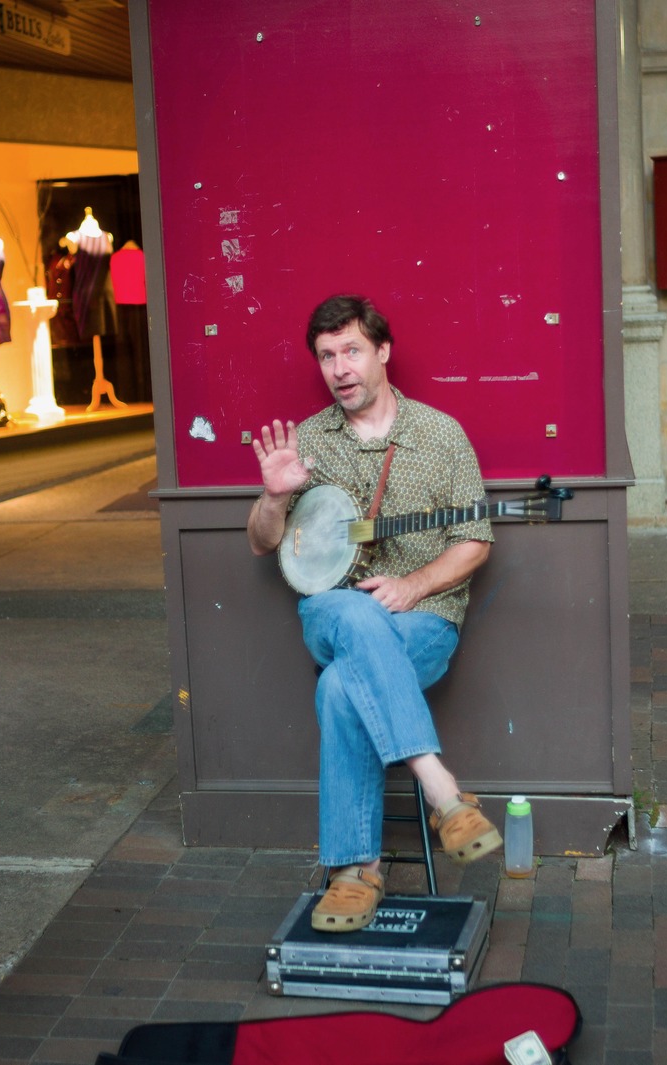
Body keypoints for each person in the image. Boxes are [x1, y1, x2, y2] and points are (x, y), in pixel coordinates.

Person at [247, 294, 502, 933]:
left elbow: (475, 540)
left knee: (341, 686)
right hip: (332, 613)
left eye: (352, 350)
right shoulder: (307, 440)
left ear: (383, 351)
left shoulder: (441, 435)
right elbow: (261, 542)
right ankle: (442, 790)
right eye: (326, 356)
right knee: (354, 617)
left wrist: (413, 586)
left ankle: (355, 871)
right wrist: (274, 498)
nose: (340, 368)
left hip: (424, 622)